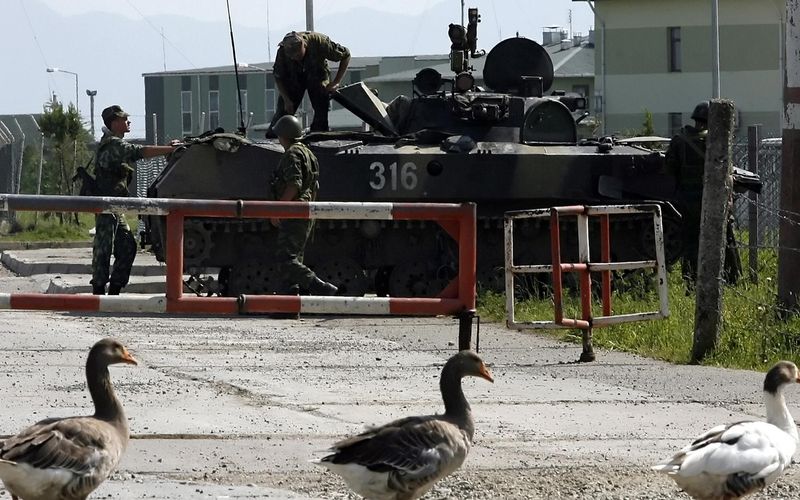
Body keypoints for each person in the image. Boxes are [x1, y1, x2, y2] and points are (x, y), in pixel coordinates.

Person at [91, 105, 177, 295]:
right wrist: (169, 149)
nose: (128, 122)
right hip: (107, 205)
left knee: (128, 245)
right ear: (114, 123)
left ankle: (114, 289)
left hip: (115, 206)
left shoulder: (114, 143)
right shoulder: (113, 144)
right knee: (103, 247)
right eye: (124, 119)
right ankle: (98, 290)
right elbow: (140, 152)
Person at [665, 101, 741, 288]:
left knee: (691, 241)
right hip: (715, 200)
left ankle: (691, 281)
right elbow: (727, 170)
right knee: (725, 238)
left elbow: (668, 170)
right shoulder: (717, 140)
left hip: (687, 201)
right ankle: (732, 279)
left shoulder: (679, 140)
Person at [269, 115, 338, 296]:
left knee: (286, 259)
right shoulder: (308, 153)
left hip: (294, 211)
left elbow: (294, 184)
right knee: (293, 260)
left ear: (283, 135)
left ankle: (320, 286)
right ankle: (289, 305)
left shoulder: (292, 153)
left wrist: (279, 209)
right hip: (304, 210)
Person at [267, 31, 351, 134]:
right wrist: (286, 100)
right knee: (283, 114)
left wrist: (336, 82)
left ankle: (318, 134)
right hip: (294, 78)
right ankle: (279, 137)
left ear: (304, 45)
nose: (295, 58)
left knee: (321, 109)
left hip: (316, 75)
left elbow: (346, 55)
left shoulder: (319, 42)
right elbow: (278, 76)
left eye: (298, 54)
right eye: (291, 56)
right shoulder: (283, 51)